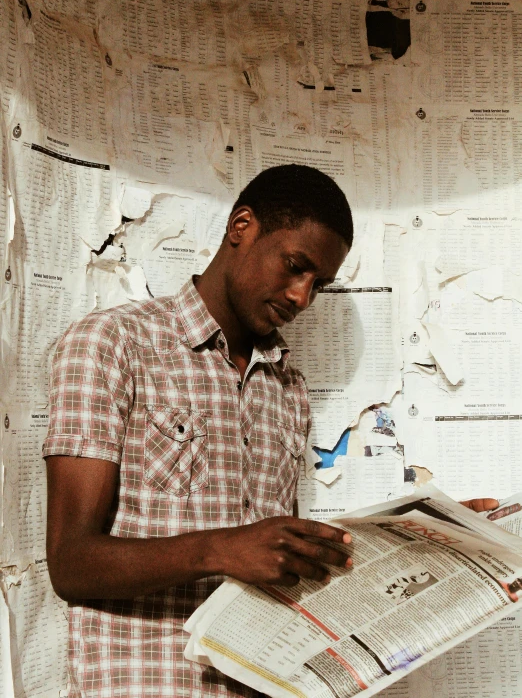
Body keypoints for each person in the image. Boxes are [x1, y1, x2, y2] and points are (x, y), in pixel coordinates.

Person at [44, 164, 497, 698]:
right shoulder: (112, 343)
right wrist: (220, 549)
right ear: (242, 227)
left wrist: (436, 545)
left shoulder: (288, 387)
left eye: (318, 284)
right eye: (295, 266)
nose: (302, 297)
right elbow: (71, 564)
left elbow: (275, 561)